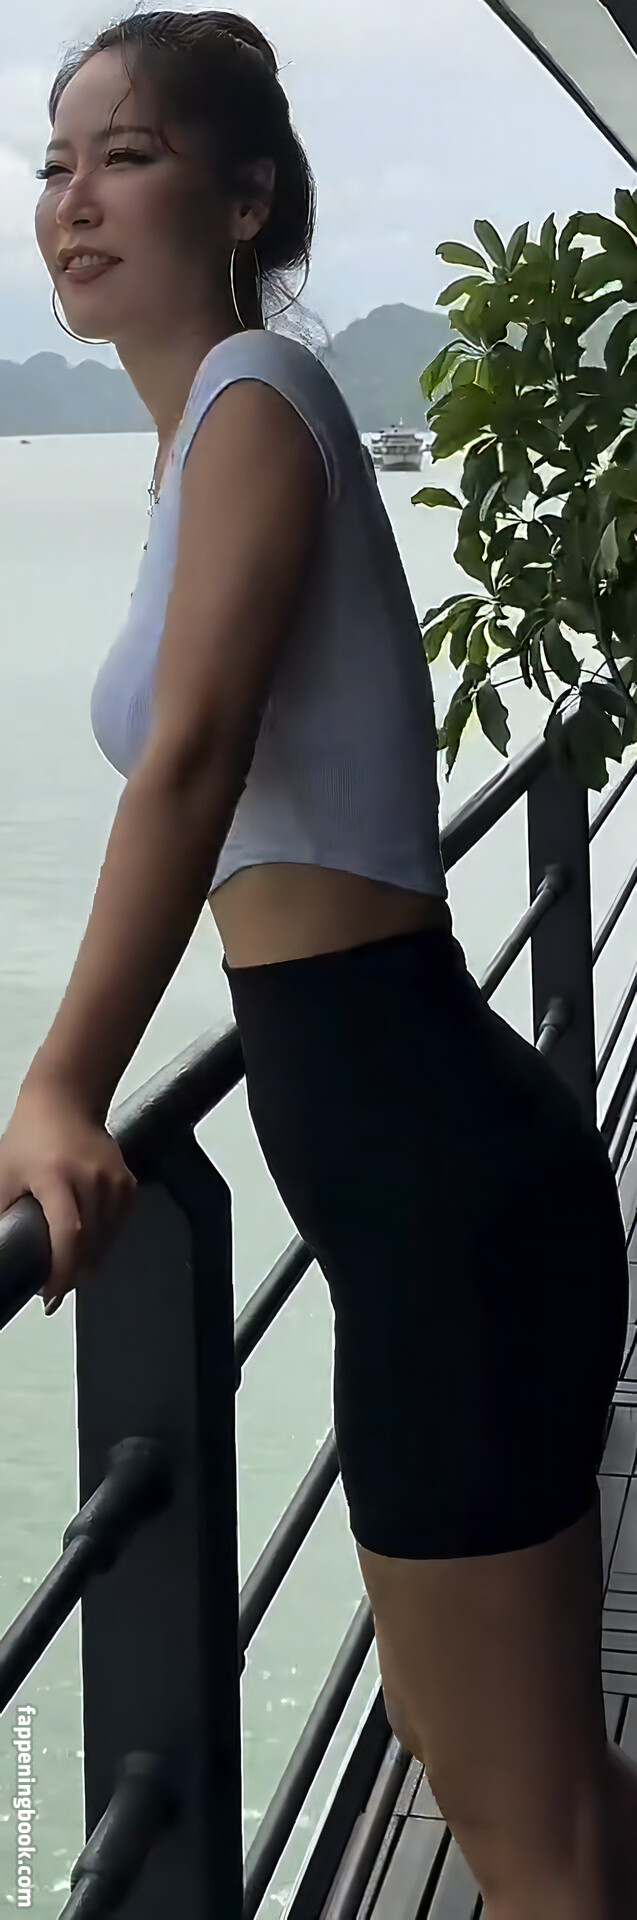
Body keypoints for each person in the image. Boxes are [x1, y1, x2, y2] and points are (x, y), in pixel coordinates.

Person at [0, 13, 634, 1915]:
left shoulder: (260, 392)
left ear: (243, 196)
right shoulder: (202, 442)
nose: (71, 198)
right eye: (53, 162)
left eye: (123, 155)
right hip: (412, 1184)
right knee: (517, 1777)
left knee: (522, 1828)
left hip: (439, 1186)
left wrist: (62, 1085)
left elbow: (192, 759)